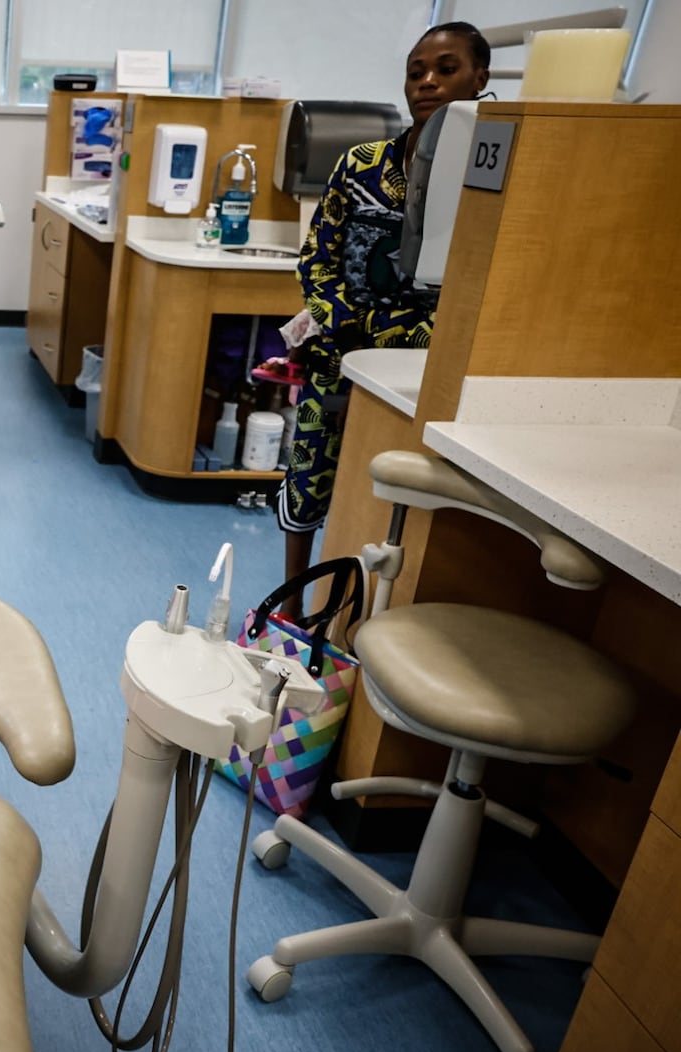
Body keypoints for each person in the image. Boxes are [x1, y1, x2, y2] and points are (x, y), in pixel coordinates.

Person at [276, 21, 490, 614]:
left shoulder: (491, 179)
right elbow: (317, 255)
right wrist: (340, 323)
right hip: (340, 351)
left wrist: (422, 341)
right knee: (307, 476)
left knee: (393, 497)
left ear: (481, 79)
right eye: (416, 71)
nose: (427, 82)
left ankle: (366, 615)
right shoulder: (361, 164)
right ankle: (292, 608)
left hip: (428, 368)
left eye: (446, 70)